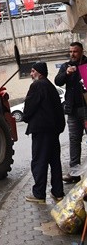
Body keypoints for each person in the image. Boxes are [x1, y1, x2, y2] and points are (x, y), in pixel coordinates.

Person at [23, 62, 65, 204]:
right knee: (54, 162)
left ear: (39, 72)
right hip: (53, 130)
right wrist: (59, 128)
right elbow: (59, 110)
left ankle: (39, 194)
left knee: (39, 161)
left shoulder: (37, 85)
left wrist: (25, 117)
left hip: (41, 130)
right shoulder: (51, 86)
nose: (31, 74)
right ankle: (58, 192)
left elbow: (29, 107)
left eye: (33, 71)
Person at [54, 41, 87, 183]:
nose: (72, 54)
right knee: (74, 140)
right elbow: (57, 81)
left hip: (86, 108)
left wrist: (81, 71)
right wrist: (66, 73)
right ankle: (74, 173)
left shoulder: (86, 64)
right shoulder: (66, 66)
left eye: (75, 51)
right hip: (72, 109)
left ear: (81, 52)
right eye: (70, 52)